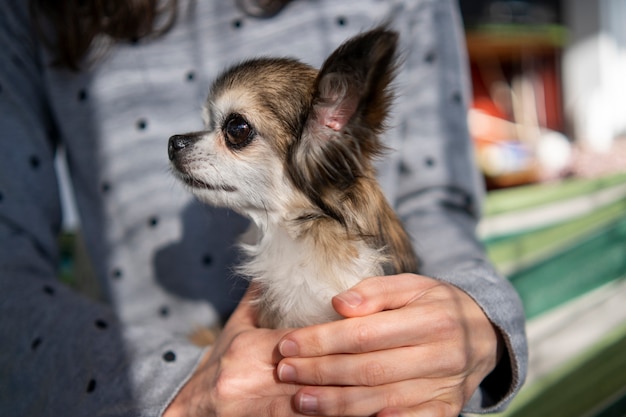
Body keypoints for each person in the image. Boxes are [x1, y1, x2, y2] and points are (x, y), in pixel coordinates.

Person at [0, 0, 528, 416]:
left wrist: (476, 314)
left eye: (236, 132)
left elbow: (433, 203)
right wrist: (176, 390)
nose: (184, 144)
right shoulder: (29, 12)